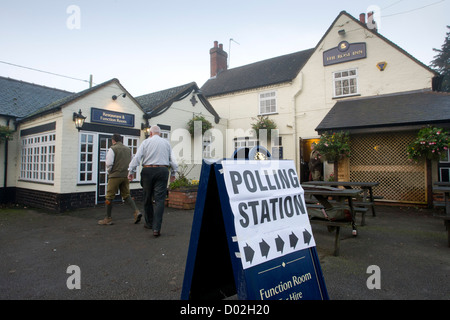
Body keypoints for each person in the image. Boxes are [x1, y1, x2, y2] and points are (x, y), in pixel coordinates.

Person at [128, 125, 178, 237]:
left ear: (150, 133)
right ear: (159, 133)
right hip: (162, 170)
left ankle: (149, 223)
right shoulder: (166, 143)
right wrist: (173, 173)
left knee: (147, 198)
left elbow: (137, 157)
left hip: (148, 170)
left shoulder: (146, 142)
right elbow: (173, 160)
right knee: (160, 200)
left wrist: (131, 171)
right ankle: (156, 228)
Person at [98, 133, 142, 225]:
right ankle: (136, 211)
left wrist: (109, 172)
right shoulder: (128, 150)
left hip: (115, 176)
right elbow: (131, 162)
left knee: (109, 197)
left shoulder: (112, 149)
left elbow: (109, 163)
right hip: (125, 175)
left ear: (113, 140)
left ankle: (108, 218)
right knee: (126, 195)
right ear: (121, 140)